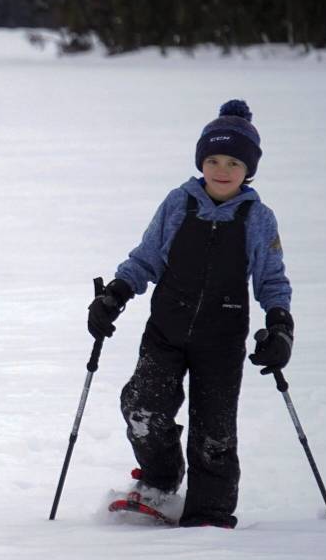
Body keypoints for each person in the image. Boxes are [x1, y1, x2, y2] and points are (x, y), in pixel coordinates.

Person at [87, 100, 293, 528]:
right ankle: (161, 482)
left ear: (249, 169)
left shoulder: (258, 219)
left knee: (214, 434)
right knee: (143, 407)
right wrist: (116, 295)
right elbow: (146, 259)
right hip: (167, 329)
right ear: (201, 161)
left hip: (221, 338)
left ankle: (209, 515)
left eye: (234, 162)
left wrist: (280, 327)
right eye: (213, 159)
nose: (222, 169)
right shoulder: (179, 203)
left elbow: (272, 280)